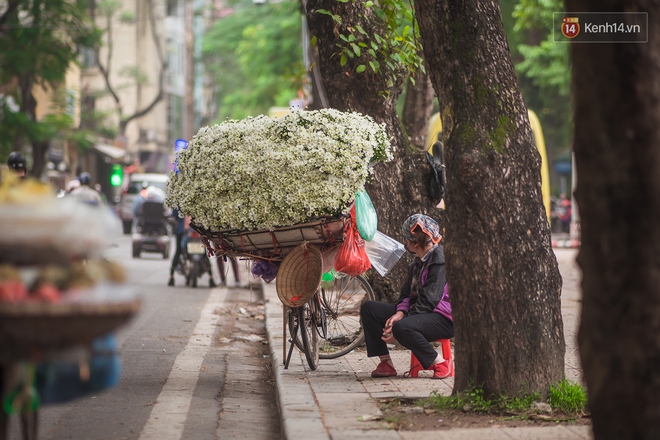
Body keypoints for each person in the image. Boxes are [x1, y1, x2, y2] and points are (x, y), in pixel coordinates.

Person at [359, 214, 454, 379]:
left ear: (415, 242)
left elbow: (430, 300)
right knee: (369, 309)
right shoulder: (416, 264)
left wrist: (401, 323)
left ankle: (440, 362)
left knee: (402, 327)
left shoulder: (440, 261)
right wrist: (400, 313)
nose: (405, 243)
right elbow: (406, 294)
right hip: (418, 313)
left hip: (442, 318)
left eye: (407, 239)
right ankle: (386, 363)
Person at [168, 208, 186, 286]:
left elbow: (174, 215)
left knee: (178, 251)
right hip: (195, 230)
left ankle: (171, 276)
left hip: (181, 231)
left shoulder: (180, 201)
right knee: (203, 251)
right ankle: (211, 276)